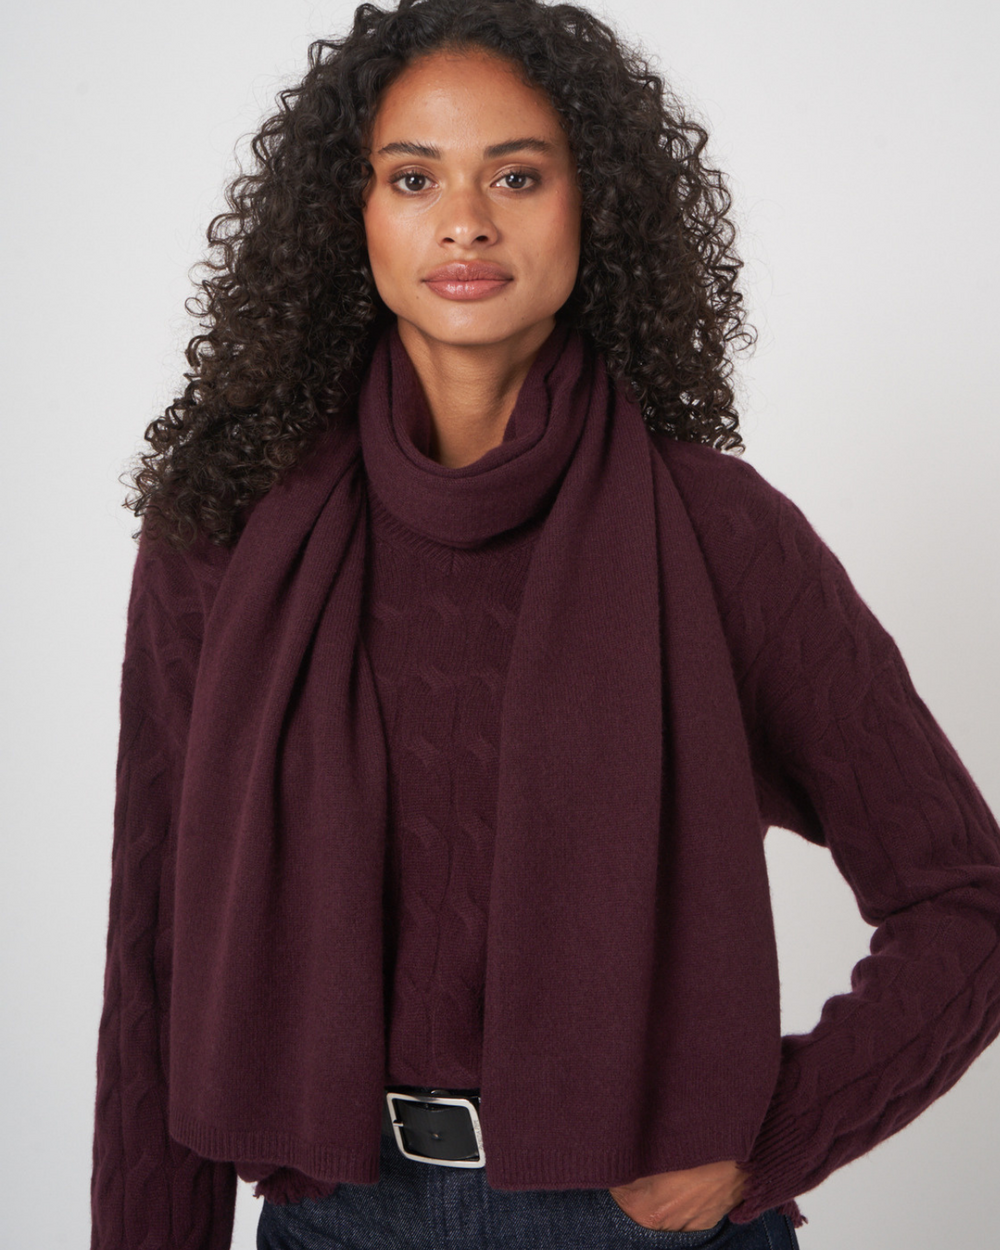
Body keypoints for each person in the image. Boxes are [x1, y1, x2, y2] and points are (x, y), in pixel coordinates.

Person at [89, 1, 1000, 1247]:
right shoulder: (227, 530)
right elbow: (155, 942)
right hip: (338, 1215)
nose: (465, 220)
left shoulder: (718, 532)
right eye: (414, 177)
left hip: (639, 1220)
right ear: (351, 214)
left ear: (594, 207)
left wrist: (781, 1133)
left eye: (516, 175)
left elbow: (965, 898)